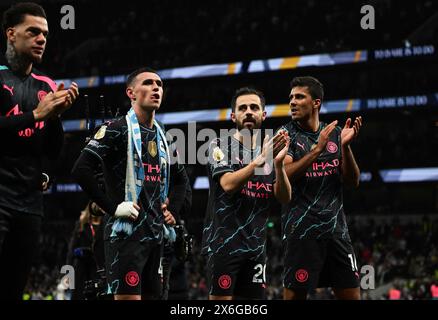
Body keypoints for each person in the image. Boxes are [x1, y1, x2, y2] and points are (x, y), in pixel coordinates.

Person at [72, 67, 189, 300]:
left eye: (160, 84)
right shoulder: (116, 128)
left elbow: (181, 180)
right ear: (131, 93)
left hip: (156, 236)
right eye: (148, 83)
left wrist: (172, 210)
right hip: (125, 237)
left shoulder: (164, 137)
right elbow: (80, 170)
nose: (156, 88)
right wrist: (112, 208)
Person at [0, 2, 79, 300]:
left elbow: (54, 148)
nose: (42, 39)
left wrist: (56, 116)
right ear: (11, 34)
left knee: (13, 287)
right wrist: (35, 116)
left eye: (44, 34)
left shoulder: (47, 85)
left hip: (29, 204)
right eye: (33, 32)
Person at [201, 87, 292, 300]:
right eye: (242, 108)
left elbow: (285, 198)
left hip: (256, 250)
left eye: (254, 107)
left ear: (263, 114)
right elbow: (228, 185)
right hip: (223, 247)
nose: (249, 111)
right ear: (233, 116)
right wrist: (260, 160)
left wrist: (278, 165)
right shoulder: (219, 145)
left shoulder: (271, 151)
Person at [279, 76, 363, 300]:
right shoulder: (285, 134)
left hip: (336, 234)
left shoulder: (334, 133)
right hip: (300, 235)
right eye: (291, 98)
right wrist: (316, 151)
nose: (292, 102)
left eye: (299, 97)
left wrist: (344, 148)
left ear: (316, 102)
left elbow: (353, 181)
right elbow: (284, 175)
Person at [66, 201, 105, 300]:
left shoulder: (106, 225)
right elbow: (71, 249)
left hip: (99, 268)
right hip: (82, 267)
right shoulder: (82, 224)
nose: (98, 208)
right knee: (80, 294)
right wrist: (68, 273)